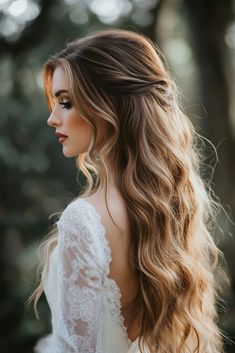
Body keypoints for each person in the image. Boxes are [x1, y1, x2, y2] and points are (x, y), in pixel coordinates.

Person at [28, 29, 226, 353]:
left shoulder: (85, 219)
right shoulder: (165, 208)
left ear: (107, 106)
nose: (52, 118)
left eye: (65, 103)